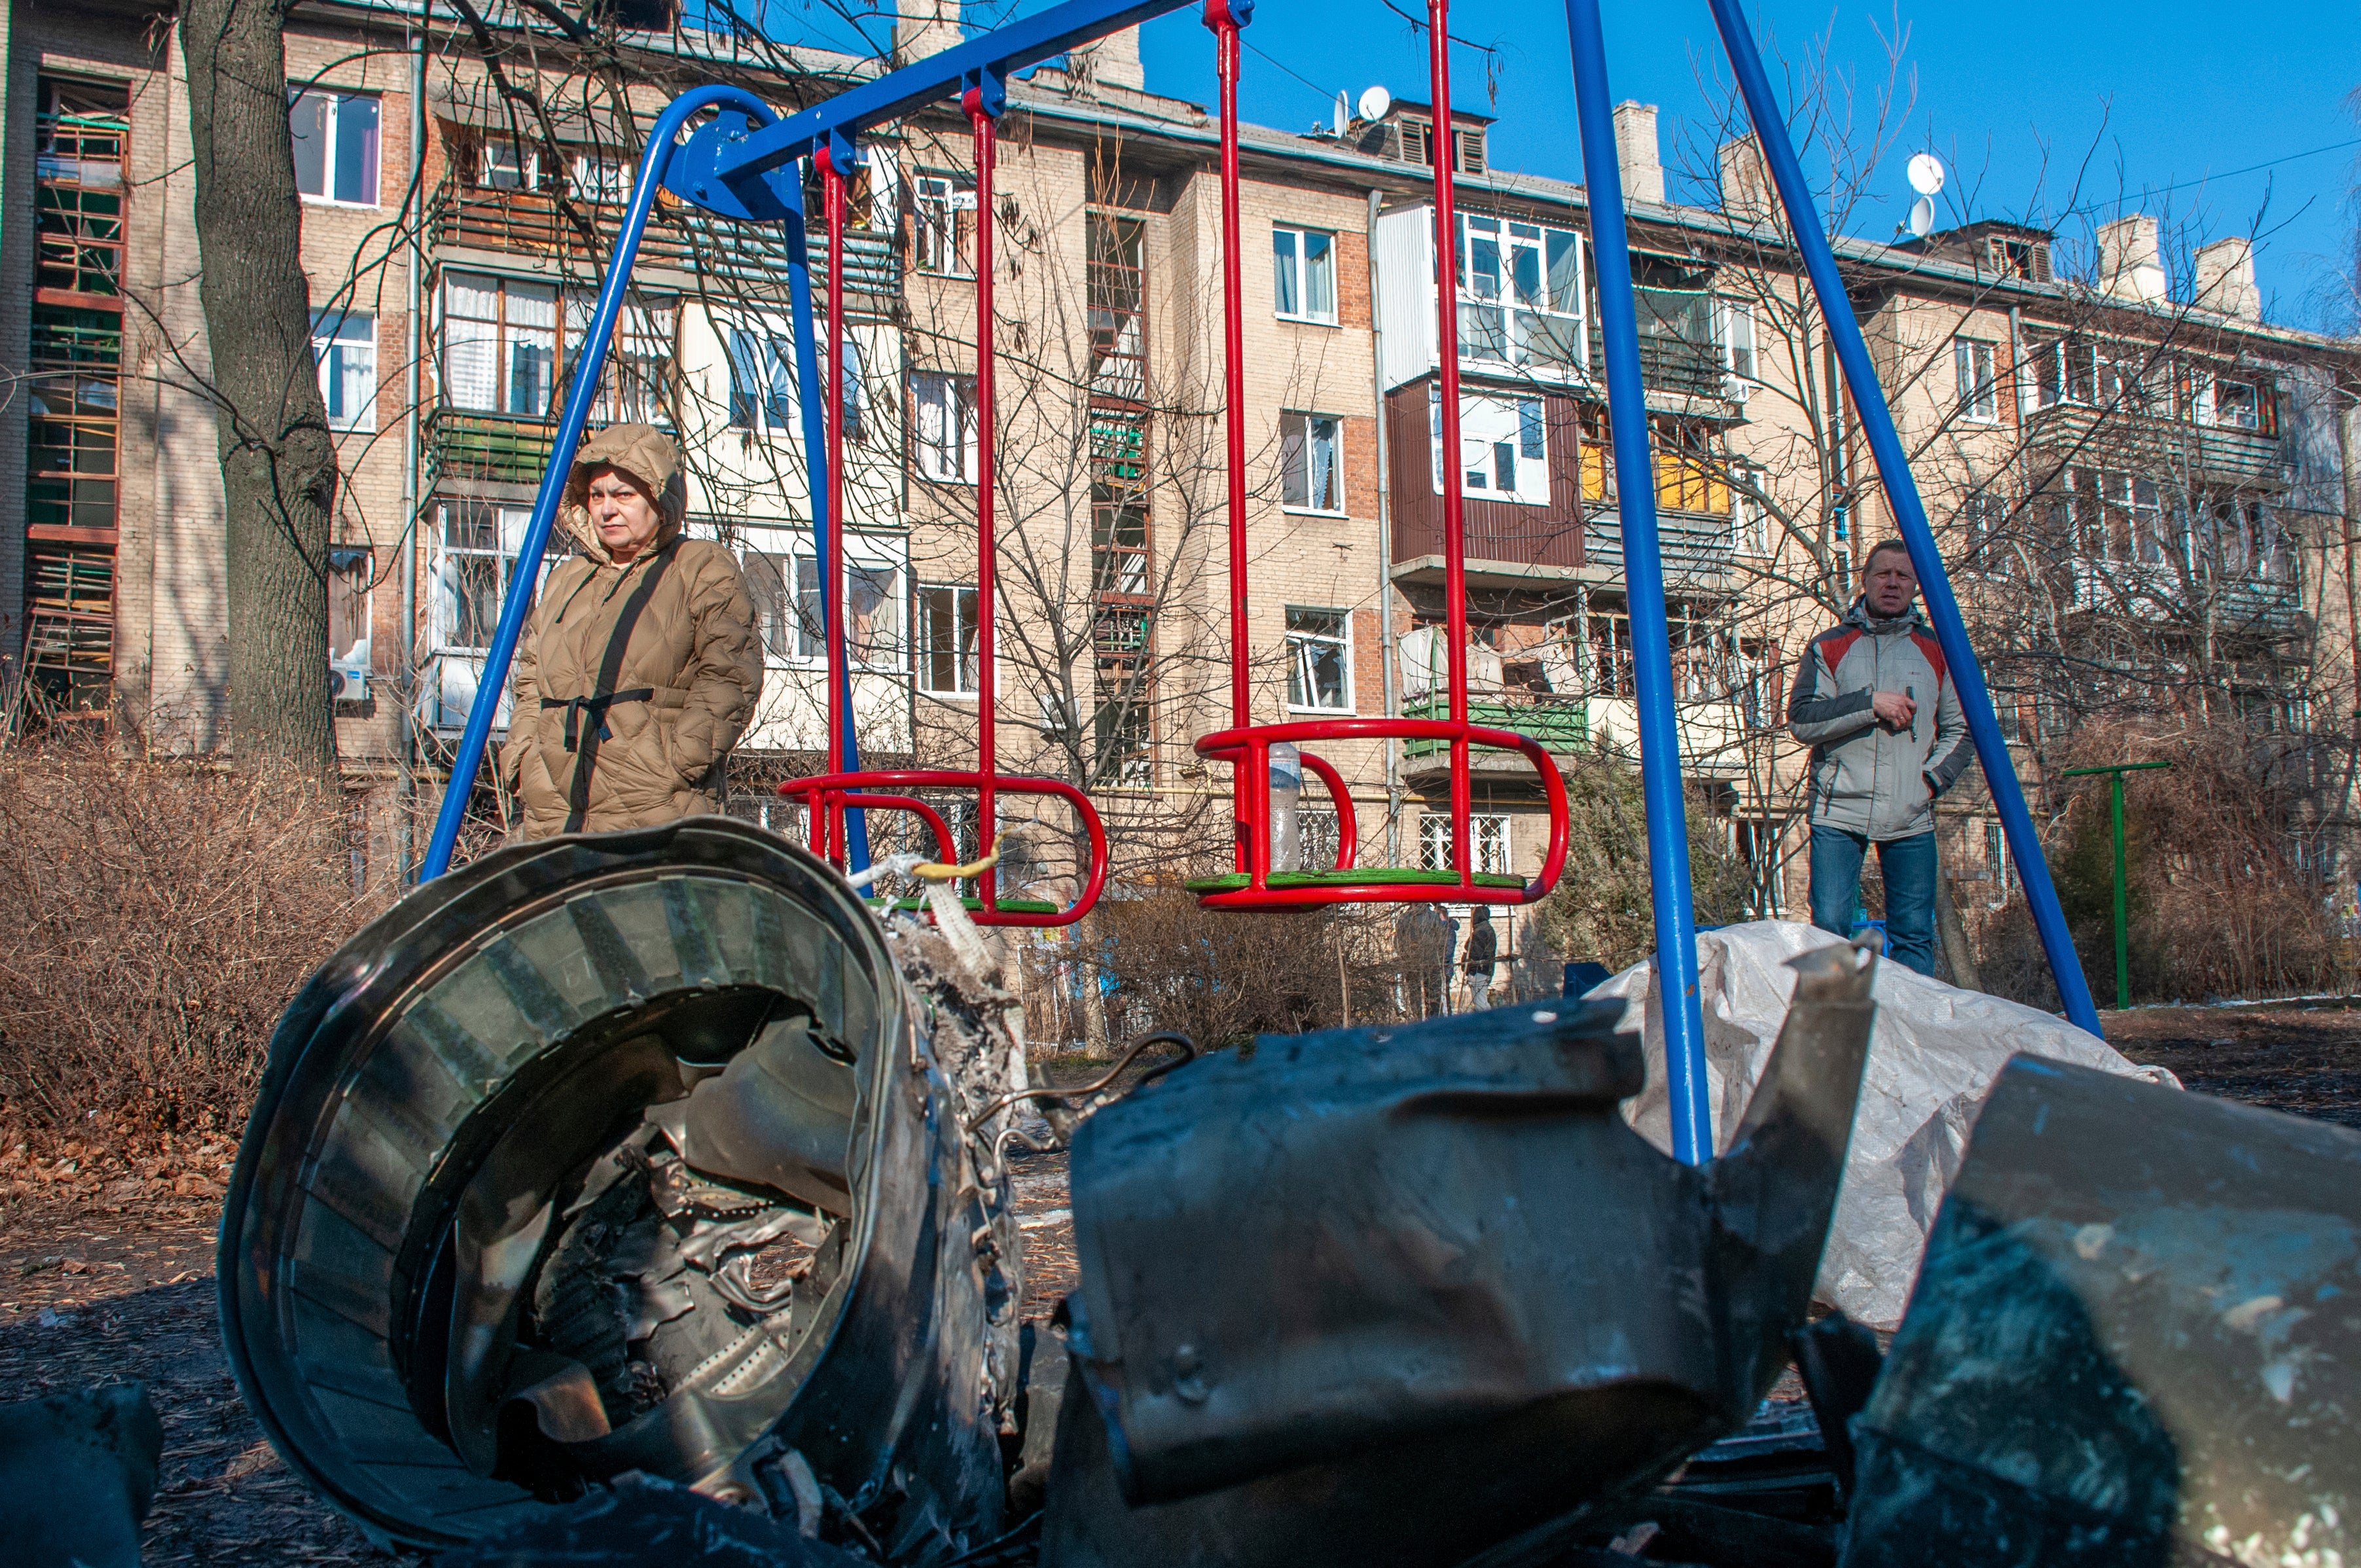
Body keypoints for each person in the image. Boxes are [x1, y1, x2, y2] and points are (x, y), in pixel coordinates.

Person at [501, 423, 763, 839]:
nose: (606, 510)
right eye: (596, 496)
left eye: (624, 495)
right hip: (552, 802)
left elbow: (730, 675)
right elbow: (532, 676)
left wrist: (673, 766)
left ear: (659, 498)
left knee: (648, 906)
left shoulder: (699, 566)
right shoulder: (567, 578)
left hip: (654, 804)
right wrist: (521, 759)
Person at [1788, 540, 1970, 976]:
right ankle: (1831, 1035)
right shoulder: (1830, 645)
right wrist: (1870, 704)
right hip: (1838, 811)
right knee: (1830, 929)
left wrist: (1929, 782)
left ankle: (1911, 1032)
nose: (1891, 583)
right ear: (1864, 581)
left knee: (1912, 934)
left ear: (1915, 586)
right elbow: (1802, 719)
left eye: (1902, 575)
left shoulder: (1938, 649)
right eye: (1882, 574)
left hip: (1910, 815)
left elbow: (1963, 730)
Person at [1462, 906, 1499, 1011]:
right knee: (1480, 1001)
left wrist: (1471, 969)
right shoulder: (1485, 929)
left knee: (1480, 1002)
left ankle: (1489, 1024)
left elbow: (1477, 954)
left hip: (1479, 971)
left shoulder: (1481, 932)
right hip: (1484, 970)